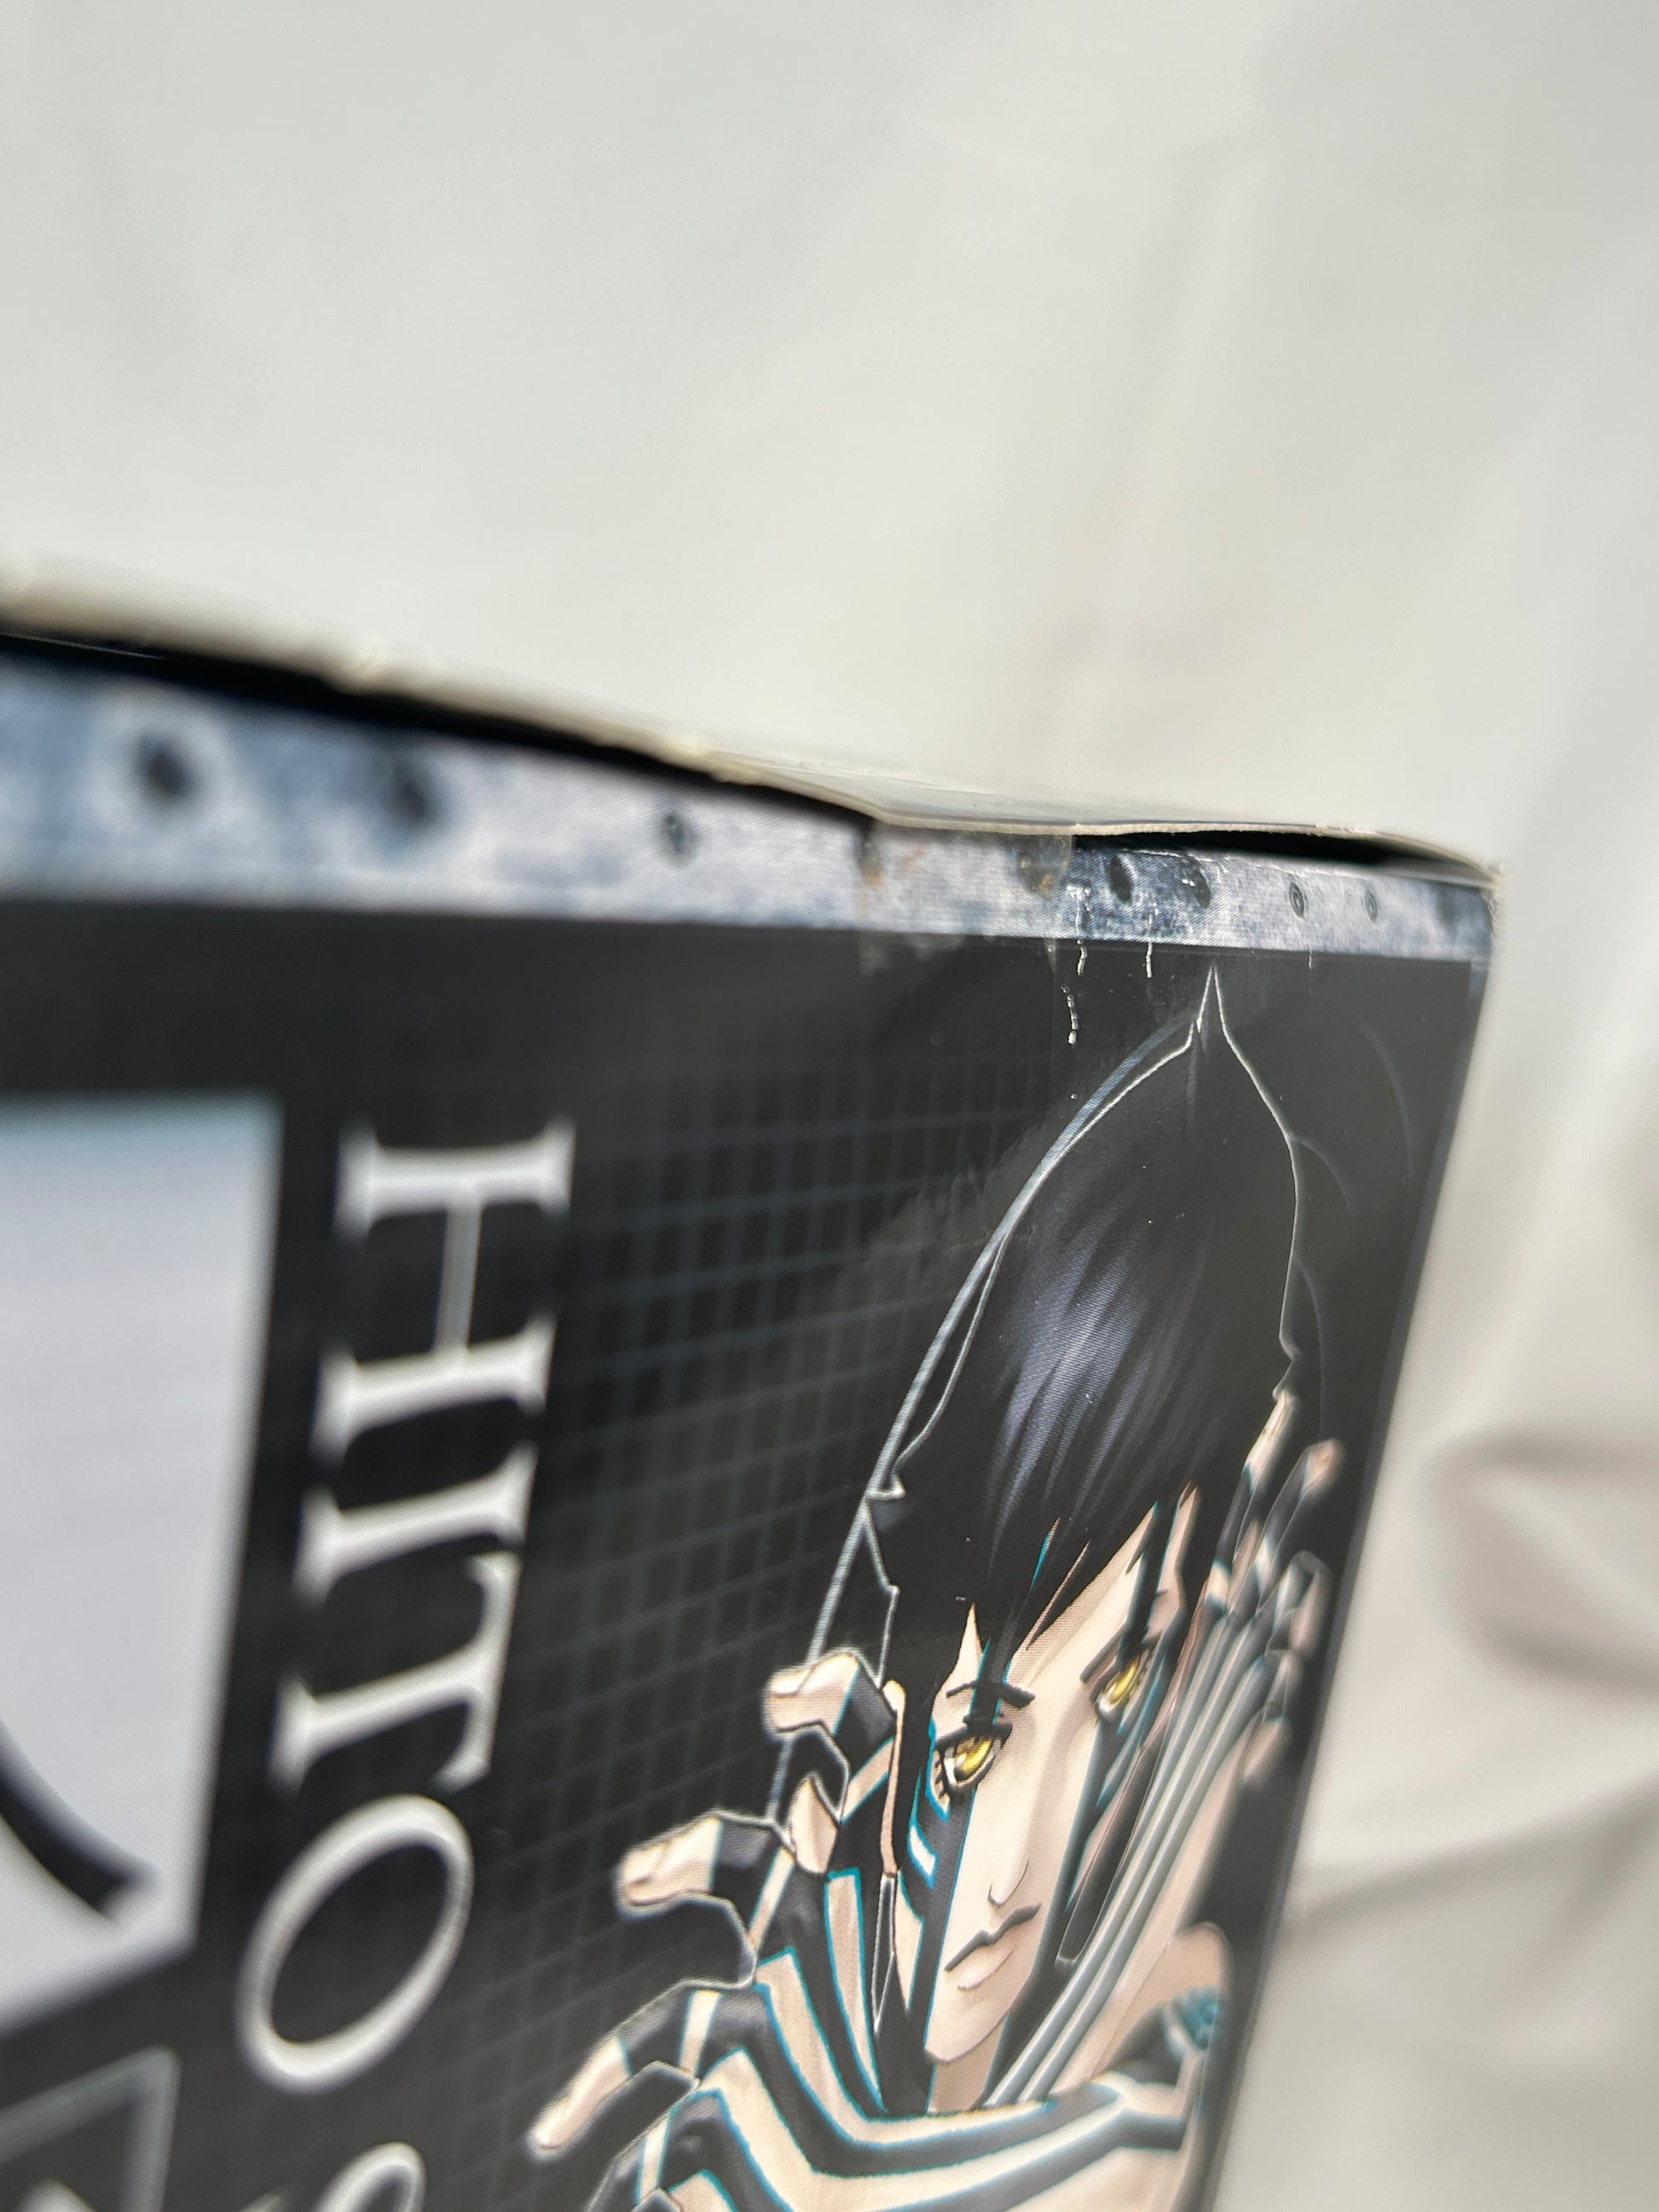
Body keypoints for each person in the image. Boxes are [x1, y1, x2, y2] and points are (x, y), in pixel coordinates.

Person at [528, 973, 1338, 2212]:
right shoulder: (788, 2056)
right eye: (972, 1750)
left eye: (1123, 1687)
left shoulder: (1160, 2066)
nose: (1011, 1881)